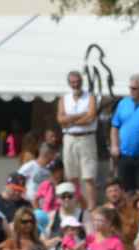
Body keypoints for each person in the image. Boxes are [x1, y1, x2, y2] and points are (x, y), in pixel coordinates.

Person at [58, 69, 100, 207]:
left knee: (88, 176)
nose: (75, 84)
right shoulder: (64, 98)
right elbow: (60, 119)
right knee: (71, 176)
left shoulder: (90, 97)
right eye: (73, 82)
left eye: (78, 82)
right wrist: (80, 116)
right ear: (69, 83)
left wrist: (70, 120)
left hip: (86, 138)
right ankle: (76, 205)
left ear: (82, 82)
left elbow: (91, 117)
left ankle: (91, 207)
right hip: (69, 137)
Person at [110, 74, 139, 194]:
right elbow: (115, 126)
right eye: (130, 88)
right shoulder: (123, 103)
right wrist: (114, 145)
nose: (131, 91)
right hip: (124, 154)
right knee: (125, 191)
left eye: (134, 89)